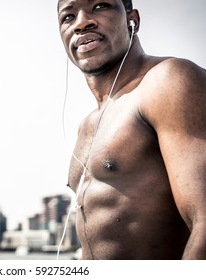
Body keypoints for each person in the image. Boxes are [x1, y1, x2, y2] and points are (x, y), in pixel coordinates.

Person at [57, 0, 206, 259]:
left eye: (100, 6)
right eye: (68, 17)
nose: (81, 22)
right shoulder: (87, 125)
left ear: (132, 19)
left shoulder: (169, 80)